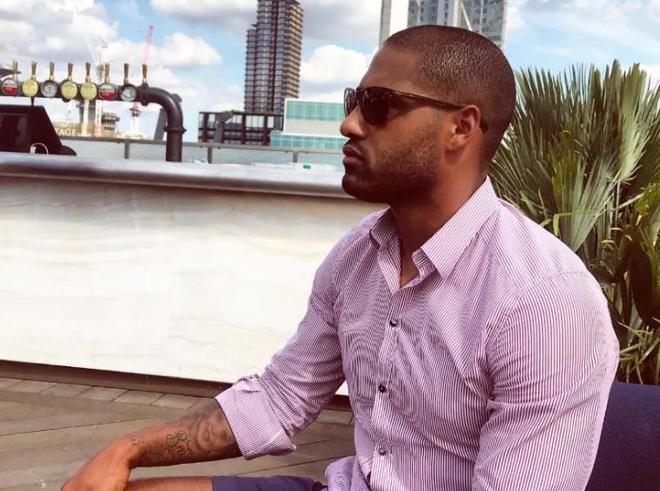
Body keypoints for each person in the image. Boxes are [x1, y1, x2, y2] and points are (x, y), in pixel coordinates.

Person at [63, 25, 619, 491]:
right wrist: (127, 449)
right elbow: (281, 397)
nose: (349, 124)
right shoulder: (358, 256)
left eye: (378, 106)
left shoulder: (544, 303)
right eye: (355, 101)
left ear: (461, 127)